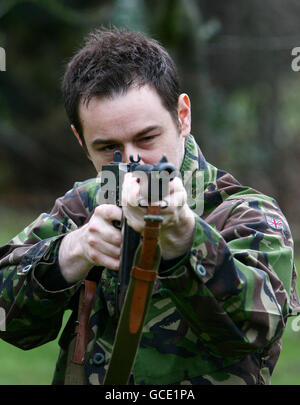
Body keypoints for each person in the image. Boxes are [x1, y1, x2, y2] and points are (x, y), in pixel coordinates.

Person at [0, 27, 299, 386]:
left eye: (146, 137)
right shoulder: (84, 206)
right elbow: (10, 323)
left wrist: (186, 240)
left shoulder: (247, 213)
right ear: (80, 139)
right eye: (108, 147)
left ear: (182, 116)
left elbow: (256, 330)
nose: (131, 161)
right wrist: (71, 253)